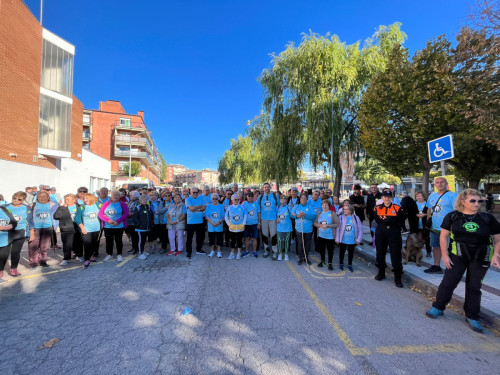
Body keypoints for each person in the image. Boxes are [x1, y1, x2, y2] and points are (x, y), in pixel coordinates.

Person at [426, 189, 500, 333]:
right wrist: (445, 256)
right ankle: (438, 307)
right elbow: (444, 236)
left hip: (481, 257)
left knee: (474, 287)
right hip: (458, 255)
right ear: (462, 201)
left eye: (479, 201)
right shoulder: (453, 216)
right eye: (472, 200)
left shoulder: (487, 218)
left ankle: (472, 316)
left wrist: (496, 255)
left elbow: (498, 238)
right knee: (448, 283)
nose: (476, 204)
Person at [424, 177, 458, 274]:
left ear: (446, 183)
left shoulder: (453, 196)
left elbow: (457, 211)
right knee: (436, 247)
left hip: (449, 228)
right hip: (435, 227)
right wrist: (428, 221)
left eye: (442, 182)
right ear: (435, 184)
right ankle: (437, 266)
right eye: (437, 182)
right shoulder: (432, 196)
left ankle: (453, 269)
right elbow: (429, 209)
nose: (440, 184)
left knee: (452, 249)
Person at [373, 190, 406, 288]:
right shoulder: (377, 208)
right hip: (381, 232)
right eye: (384, 197)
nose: (387, 199)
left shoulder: (397, 208)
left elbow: (401, 221)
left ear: (392, 198)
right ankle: (381, 272)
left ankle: (397, 277)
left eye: (389, 197)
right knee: (380, 253)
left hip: (394, 232)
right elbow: (377, 220)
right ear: (382, 198)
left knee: (396, 255)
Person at [27, 191, 57, 268]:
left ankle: (43, 261)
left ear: (48, 197)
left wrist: (55, 226)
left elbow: (56, 216)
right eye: (40, 196)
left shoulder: (53, 205)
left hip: (48, 228)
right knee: (33, 246)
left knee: (45, 247)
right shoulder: (32, 205)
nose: (42, 198)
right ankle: (33, 263)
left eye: (44, 196)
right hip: (35, 228)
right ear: (37, 198)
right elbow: (29, 217)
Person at [98, 190, 129, 262]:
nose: (115, 196)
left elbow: (126, 214)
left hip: (119, 226)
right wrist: (107, 220)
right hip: (108, 226)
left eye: (117, 195)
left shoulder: (122, 204)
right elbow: (100, 214)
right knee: (109, 241)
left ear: (119, 196)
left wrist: (118, 221)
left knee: (118, 240)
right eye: (114, 195)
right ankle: (109, 254)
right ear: (111, 196)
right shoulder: (106, 203)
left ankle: (119, 254)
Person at [4, 192, 28, 276]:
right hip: (7, 233)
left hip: (20, 233)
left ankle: (14, 269)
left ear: (23, 200)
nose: (16, 200)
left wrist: (31, 233)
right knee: (4, 253)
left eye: (19, 199)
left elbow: (30, 220)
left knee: (16, 252)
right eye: (14, 198)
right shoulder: (4, 207)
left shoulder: (26, 208)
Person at [53, 194, 81, 266]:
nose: (66, 201)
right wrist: (62, 208)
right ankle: (66, 258)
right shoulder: (61, 208)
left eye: (68, 199)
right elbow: (56, 216)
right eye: (65, 199)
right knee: (66, 244)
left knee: (78, 242)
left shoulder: (79, 206)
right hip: (66, 228)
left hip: (77, 227)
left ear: (74, 200)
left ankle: (79, 255)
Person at [75, 194, 101, 268]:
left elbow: (103, 213)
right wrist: (82, 228)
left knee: (94, 243)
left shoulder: (98, 205)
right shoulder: (82, 207)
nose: (85, 200)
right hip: (86, 229)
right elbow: (77, 218)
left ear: (92, 199)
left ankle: (91, 256)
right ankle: (87, 259)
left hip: (96, 228)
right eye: (84, 198)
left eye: (87, 198)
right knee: (87, 244)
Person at [336, 202, 363, 272]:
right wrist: (337, 238)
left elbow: (360, 229)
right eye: (344, 209)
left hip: (352, 239)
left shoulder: (356, 218)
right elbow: (338, 229)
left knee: (351, 253)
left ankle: (350, 264)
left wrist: (358, 239)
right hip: (343, 239)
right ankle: (341, 263)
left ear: (351, 210)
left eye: (346, 209)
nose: (345, 211)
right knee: (341, 252)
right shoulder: (341, 217)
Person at [314, 200, 340, 270]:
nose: (324, 206)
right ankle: (323, 261)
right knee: (322, 249)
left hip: (330, 236)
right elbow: (315, 223)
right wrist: (320, 225)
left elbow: (337, 224)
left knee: (330, 250)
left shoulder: (332, 214)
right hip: (321, 235)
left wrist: (328, 226)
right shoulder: (320, 213)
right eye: (323, 205)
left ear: (329, 206)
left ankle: (330, 263)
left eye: (326, 205)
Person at [292, 194, 317, 265]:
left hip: (308, 229)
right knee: (300, 244)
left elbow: (314, 216)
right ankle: (301, 257)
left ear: (307, 200)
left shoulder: (310, 207)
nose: (303, 199)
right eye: (302, 198)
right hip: (299, 229)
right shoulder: (296, 206)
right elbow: (292, 215)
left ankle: (306, 257)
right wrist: (298, 215)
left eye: (305, 198)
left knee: (307, 244)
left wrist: (305, 215)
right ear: (300, 199)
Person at [257, 183, 278, 258]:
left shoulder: (275, 196)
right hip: (264, 218)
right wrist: (259, 221)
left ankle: (275, 251)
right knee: (264, 235)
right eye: (265, 187)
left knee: (273, 235)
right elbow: (257, 208)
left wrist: (277, 217)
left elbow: (278, 206)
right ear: (263, 188)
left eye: (268, 187)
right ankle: (266, 250)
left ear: (270, 188)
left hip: (273, 218)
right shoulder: (260, 197)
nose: (266, 188)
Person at [185, 187, 206, 258]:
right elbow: (191, 209)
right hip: (190, 222)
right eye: (193, 192)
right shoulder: (188, 199)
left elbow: (204, 207)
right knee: (189, 238)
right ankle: (189, 251)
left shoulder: (200, 198)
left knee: (199, 237)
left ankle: (199, 249)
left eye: (196, 192)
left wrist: (196, 208)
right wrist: (200, 207)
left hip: (199, 221)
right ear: (190, 192)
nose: (195, 194)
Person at [132, 195, 155, 260]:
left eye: (145, 199)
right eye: (142, 199)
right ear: (140, 200)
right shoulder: (137, 208)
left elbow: (152, 216)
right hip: (141, 228)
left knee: (144, 240)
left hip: (148, 228)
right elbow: (134, 218)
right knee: (141, 240)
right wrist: (139, 225)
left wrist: (151, 224)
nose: (144, 200)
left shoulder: (149, 207)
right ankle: (140, 253)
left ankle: (142, 251)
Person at [225, 194, 247, 260]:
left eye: (237, 199)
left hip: (240, 227)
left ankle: (239, 253)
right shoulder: (229, 207)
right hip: (232, 228)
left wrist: (243, 223)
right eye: (235, 199)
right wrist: (229, 224)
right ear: (232, 200)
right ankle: (232, 253)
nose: (236, 201)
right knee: (232, 241)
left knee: (239, 240)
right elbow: (226, 216)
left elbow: (245, 215)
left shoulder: (241, 207)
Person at [0, 203, 17, 283]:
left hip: (6, 239)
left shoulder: (5, 209)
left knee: (3, 258)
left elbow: (14, 221)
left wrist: (11, 226)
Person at [241, 192, 261, 258]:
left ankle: (254, 251)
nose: (250, 197)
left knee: (255, 238)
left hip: (255, 224)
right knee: (246, 238)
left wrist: (259, 223)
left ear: (253, 197)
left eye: (251, 196)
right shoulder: (244, 204)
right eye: (249, 196)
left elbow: (258, 214)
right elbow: (241, 213)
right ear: (247, 197)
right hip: (246, 224)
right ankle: (246, 251)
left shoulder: (256, 204)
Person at [205, 193, 225, 258]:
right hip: (211, 226)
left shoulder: (221, 206)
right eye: (213, 199)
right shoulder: (209, 206)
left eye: (216, 199)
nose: (215, 200)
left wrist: (219, 222)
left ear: (218, 199)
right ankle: (212, 251)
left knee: (219, 239)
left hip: (219, 226)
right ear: (211, 199)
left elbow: (223, 216)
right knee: (211, 239)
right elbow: (207, 216)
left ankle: (219, 251)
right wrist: (212, 223)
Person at [415, 191, 431, 258]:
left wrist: (424, 214)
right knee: (417, 239)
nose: (418, 197)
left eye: (419, 196)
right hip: (416, 224)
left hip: (425, 224)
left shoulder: (427, 204)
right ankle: (417, 252)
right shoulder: (414, 204)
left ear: (424, 197)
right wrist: (416, 214)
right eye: (417, 196)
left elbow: (431, 213)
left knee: (427, 239)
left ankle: (428, 252)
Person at [277, 195, 292, 261]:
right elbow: (274, 214)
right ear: (279, 200)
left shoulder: (289, 207)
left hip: (288, 227)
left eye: (284, 198)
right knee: (279, 241)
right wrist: (276, 218)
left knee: (286, 241)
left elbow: (293, 216)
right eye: (281, 198)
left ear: (286, 200)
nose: (283, 199)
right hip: (279, 227)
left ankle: (286, 254)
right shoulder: (277, 207)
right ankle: (280, 254)